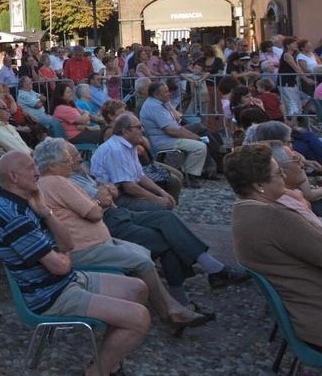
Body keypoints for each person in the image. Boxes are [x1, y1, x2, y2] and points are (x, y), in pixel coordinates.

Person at [0, 149, 151, 376]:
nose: (37, 172)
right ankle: (98, 371)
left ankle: (107, 360)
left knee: (138, 288)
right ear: (14, 177)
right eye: (31, 168)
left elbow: (67, 244)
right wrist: (62, 256)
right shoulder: (12, 216)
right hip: (49, 295)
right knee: (139, 318)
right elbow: (60, 265)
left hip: (64, 281)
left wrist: (46, 213)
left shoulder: (27, 204)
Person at [33, 138, 210, 331]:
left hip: (97, 240)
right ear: (51, 166)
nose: (72, 164)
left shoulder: (54, 182)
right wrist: (100, 201)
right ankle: (169, 311)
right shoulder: (56, 182)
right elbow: (94, 212)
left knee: (144, 251)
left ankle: (173, 307)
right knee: (143, 258)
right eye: (66, 162)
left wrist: (100, 200)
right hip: (85, 248)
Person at [227, 143, 322, 349]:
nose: (283, 178)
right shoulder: (275, 218)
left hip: (304, 313)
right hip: (315, 317)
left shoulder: (243, 212)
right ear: (259, 184)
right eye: (279, 173)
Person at [139, 82, 208, 182]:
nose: (169, 94)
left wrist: (192, 135)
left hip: (168, 137)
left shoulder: (159, 103)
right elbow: (170, 130)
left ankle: (197, 171)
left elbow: (176, 126)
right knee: (200, 147)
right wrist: (192, 136)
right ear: (156, 94)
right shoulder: (154, 107)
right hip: (163, 141)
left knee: (200, 137)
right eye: (166, 92)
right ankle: (188, 175)